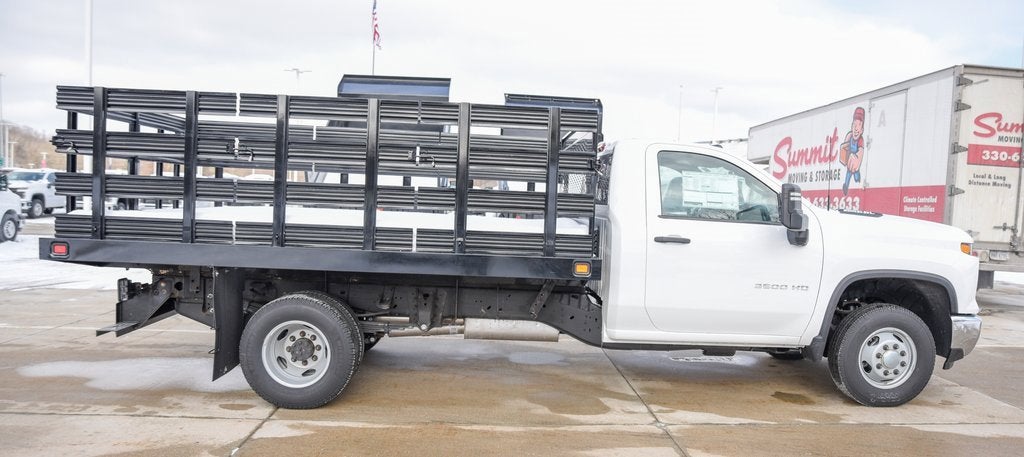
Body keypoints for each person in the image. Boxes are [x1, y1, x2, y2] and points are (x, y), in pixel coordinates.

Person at [841, 107, 866, 195]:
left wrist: (857, 159)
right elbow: (844, 148)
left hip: (855, 165)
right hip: (849, 164)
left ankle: (858, 182)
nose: (856, 128)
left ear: (862, 130)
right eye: (854, 124)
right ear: (851, 126)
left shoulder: (860, 140)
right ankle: (846, 186)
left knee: (856, 175)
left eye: (859, 125)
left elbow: (861, 151)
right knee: (848, 176)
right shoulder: (849, 137)